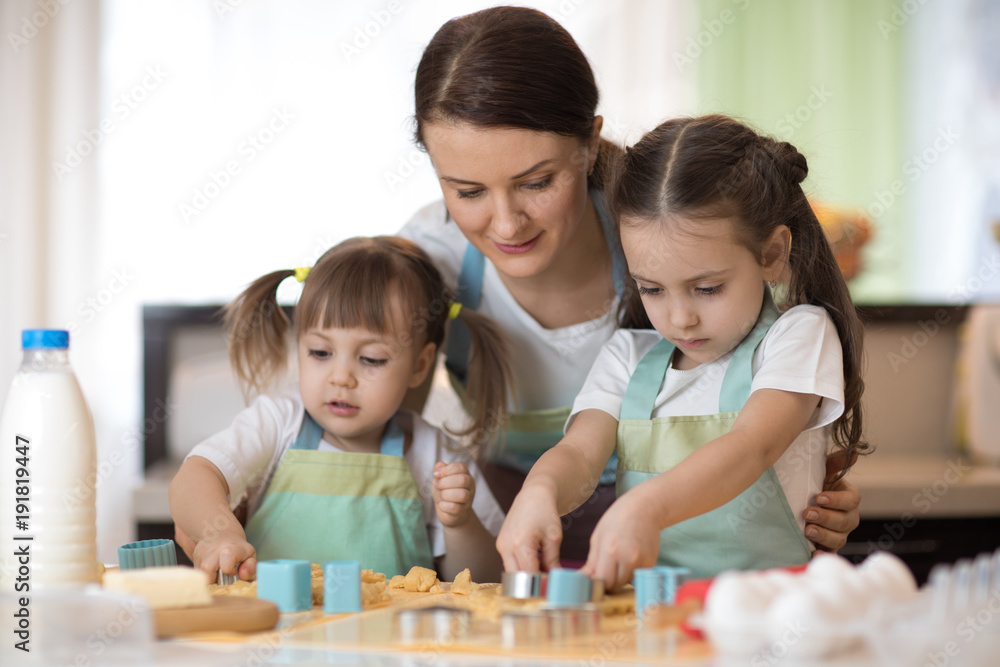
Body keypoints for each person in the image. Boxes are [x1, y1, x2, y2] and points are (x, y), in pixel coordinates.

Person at [397, 5, 860, 564]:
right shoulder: (431, 256)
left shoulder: (658, 233)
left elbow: (755, 442)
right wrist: (535, 495)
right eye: (468, 191)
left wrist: (801, 484)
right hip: (514, 529)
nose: (506, 223)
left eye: (537, 182)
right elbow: (367, 415)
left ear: (590, 144)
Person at [496, 115, 871, 589]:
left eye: (707, 288)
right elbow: (579, 453)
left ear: (772, 254)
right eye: (651, 289)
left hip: (770, 620)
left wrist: (646, 506)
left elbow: (750, 447)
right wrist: (540, 491)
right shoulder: (626, 358)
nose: (680, 318)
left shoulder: (798, 336)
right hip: (654, 623)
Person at [169, 237, 512, 582]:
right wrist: (219, 532)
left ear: (419, 366)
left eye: (371, 359)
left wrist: (461, 524)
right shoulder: (279, 422)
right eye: (320, 352)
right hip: (277, 630)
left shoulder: (435, 455)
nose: (341, 378)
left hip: (385, 635)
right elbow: (195, 476)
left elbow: (485, 579)